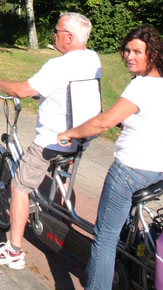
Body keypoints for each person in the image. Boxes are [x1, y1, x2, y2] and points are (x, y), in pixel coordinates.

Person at [0, 12, 101, 270]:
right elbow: (67, 91)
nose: (53, 34)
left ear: (69, 37)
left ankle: (13, 251)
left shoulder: (58, 65)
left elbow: (23, 91)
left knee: (20, 185)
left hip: (51, 142)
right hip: (79, 141)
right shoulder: (92, 59)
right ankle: (61, 224)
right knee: (63, 180)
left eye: (56, 31)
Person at [57, 26, 163, 290]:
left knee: (103, 239)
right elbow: (136, 120)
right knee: (124, 229)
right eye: (127, 50)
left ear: (154, 53)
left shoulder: (141, 86)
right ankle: (121, 271)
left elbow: (103, 123)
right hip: (156, 171)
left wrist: (70, 132)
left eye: (138, 51)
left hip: (129, 171)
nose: (129, 56)